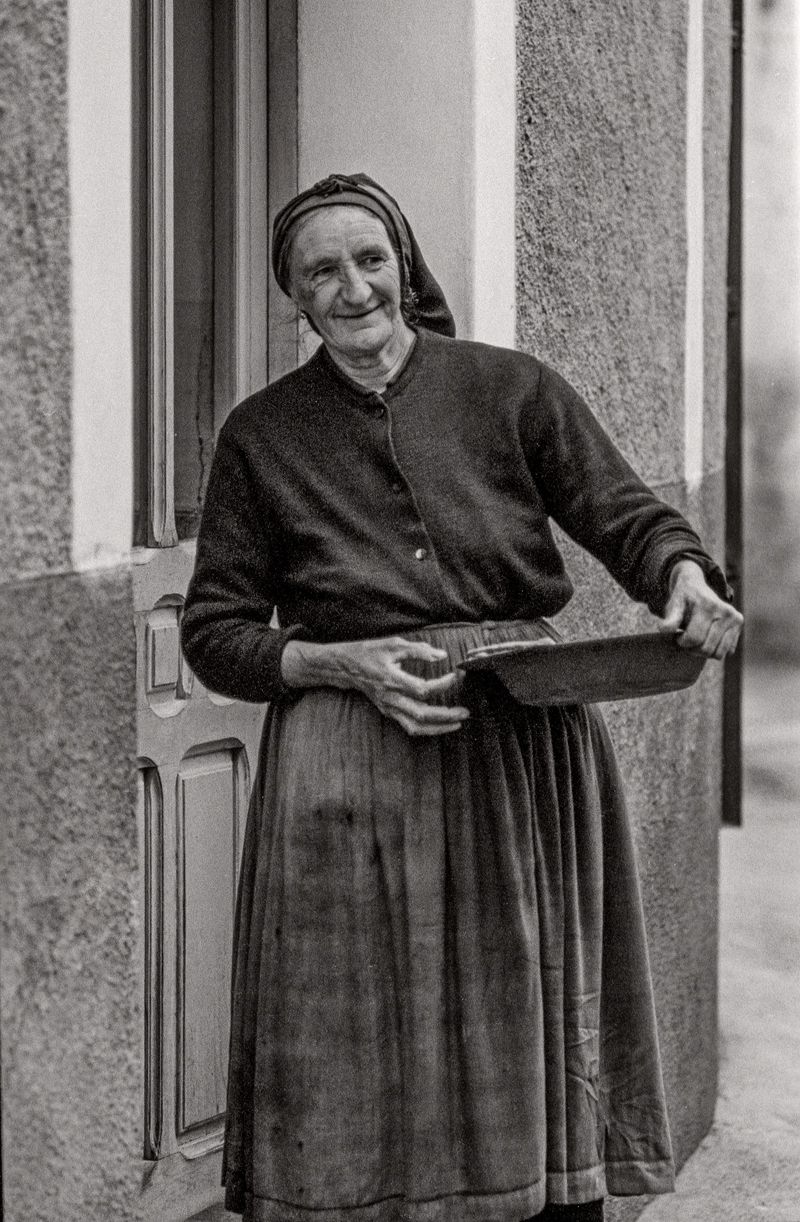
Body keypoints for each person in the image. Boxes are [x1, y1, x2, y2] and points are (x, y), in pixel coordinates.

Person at [181, 172, 742, 1222]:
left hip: (517, 746)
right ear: (293, 298)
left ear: (404, 261)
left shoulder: (507, 387)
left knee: (520, 1016)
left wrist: (680, 574)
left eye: (369, 258)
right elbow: (215, 632)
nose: (352, 287)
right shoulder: (261, 435)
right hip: (346, 763)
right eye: (320, 272)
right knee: (358, 1039)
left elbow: (623, 514)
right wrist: (339, 664)